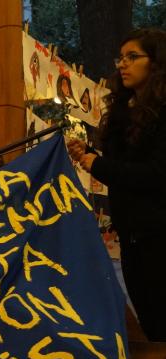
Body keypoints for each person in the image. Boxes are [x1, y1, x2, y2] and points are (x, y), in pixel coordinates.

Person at [67, 28, 166, 342]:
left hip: (159, 238)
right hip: (132, 237)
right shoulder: (126, 112)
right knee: (151, 326)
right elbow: (125, 167)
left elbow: (156, 175)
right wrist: (92, 155)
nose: (122, 64)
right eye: (120, 58)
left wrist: (101, 165)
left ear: (157, 62)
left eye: (132, 57)